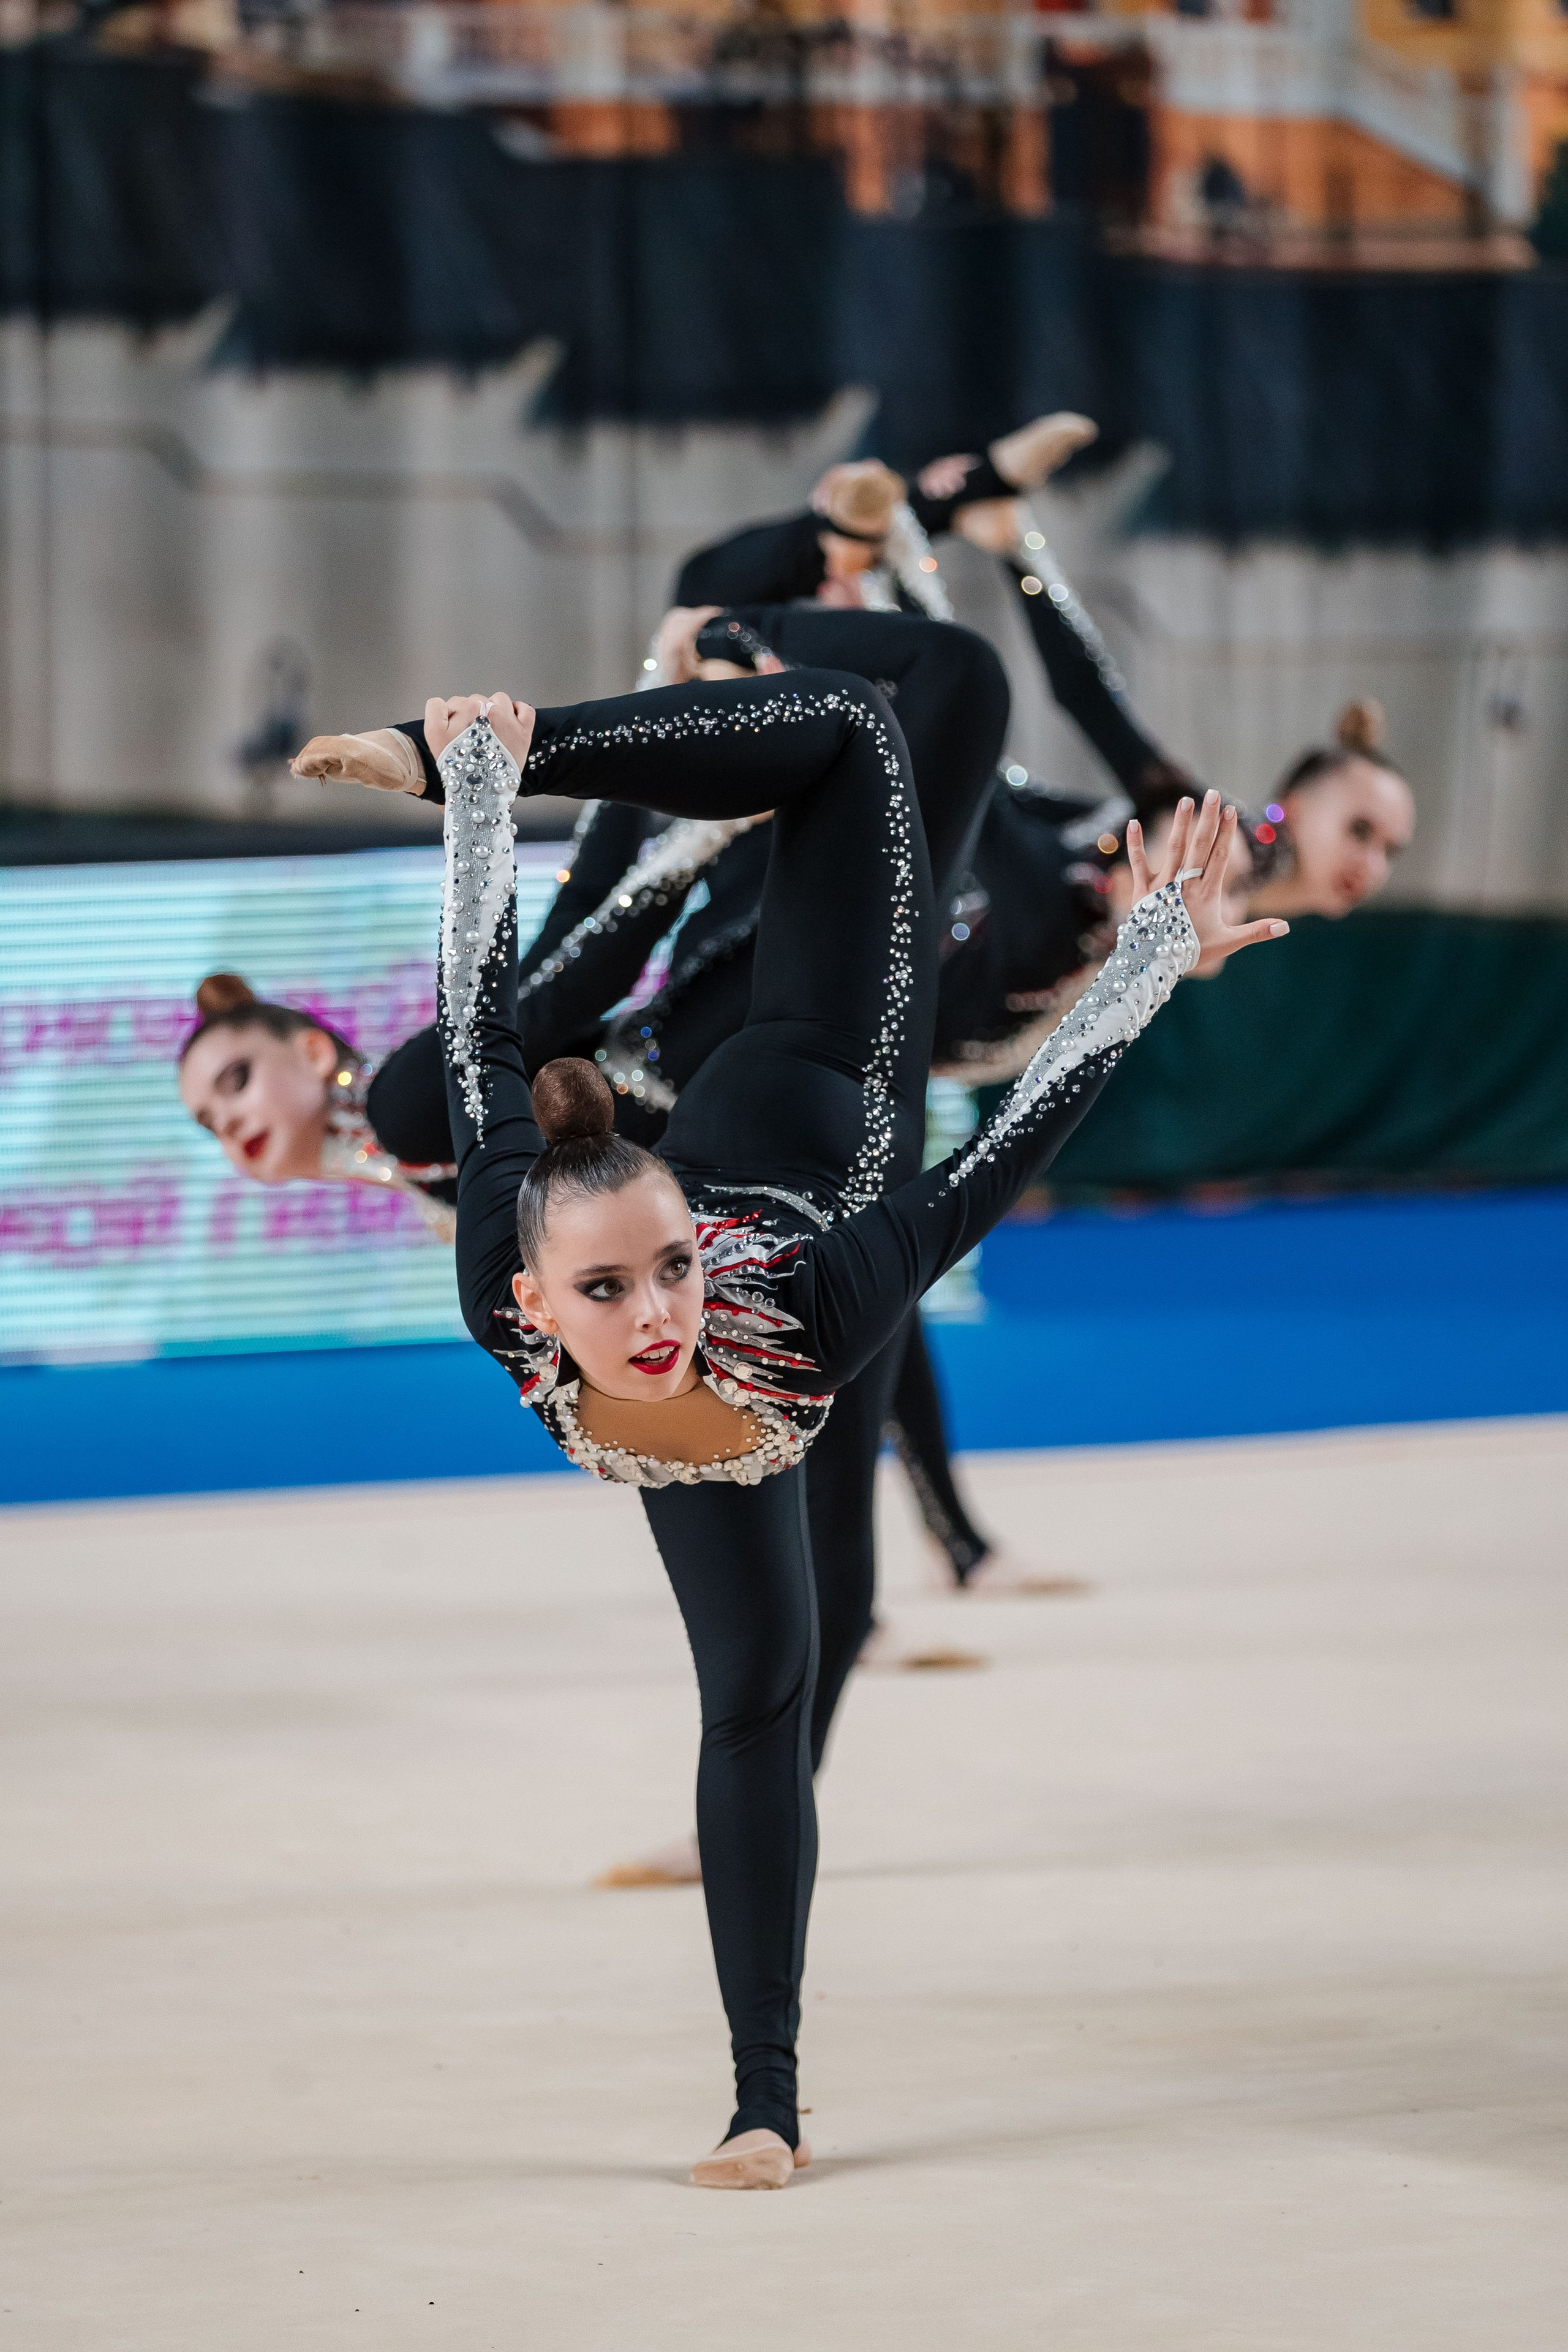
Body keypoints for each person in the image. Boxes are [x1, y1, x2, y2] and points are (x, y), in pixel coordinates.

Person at [300, 663, 1284, 2188]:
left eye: (669, 1265)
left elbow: (994, 1165)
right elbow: (478, 1050)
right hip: (714, 1351)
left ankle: (523, 736)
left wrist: (480, 788)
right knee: (756, 1701)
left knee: (868, 727)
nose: (655, 1313)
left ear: (693, 1237)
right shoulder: (509, 1287)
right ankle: (768, 2107)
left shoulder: (807, 1298)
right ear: (537, 1306)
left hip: (838, 1069)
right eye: (611, 1290)